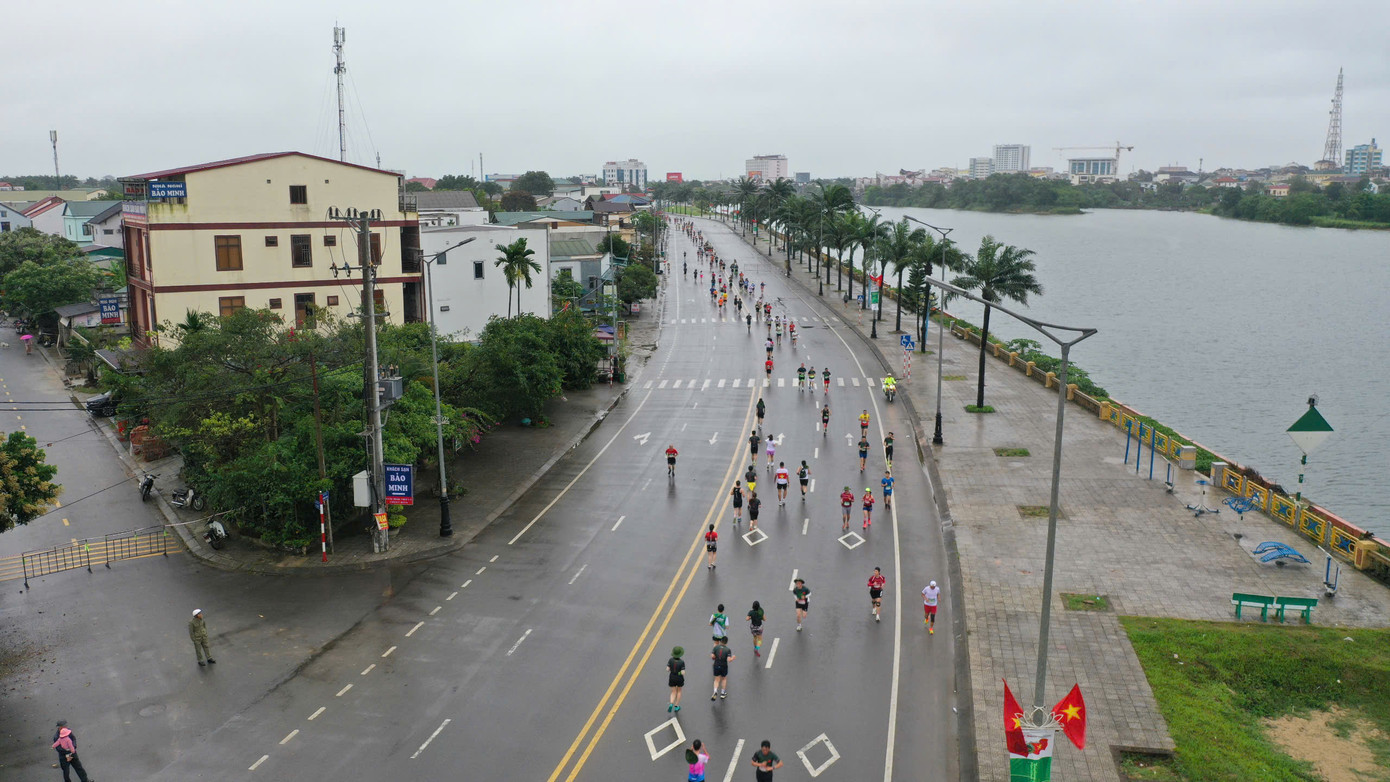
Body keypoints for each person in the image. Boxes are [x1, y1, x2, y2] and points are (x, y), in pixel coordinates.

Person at [667, 646, 686, 713]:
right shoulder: (681, 662)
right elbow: (683, 672)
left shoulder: (670, 660)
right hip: (679, 678)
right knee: (679, 691)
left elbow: (667, 669)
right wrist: (679, 672)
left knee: (673, 692)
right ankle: (676, 706)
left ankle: (671, 703)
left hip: (672, 676)